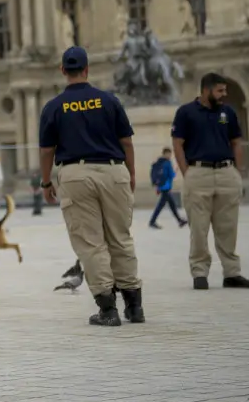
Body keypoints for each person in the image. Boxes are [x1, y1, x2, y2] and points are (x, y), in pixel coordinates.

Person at [38, 46, 143, 327]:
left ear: (63, 70)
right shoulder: (109, 101)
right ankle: (135, 306)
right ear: (87, 69)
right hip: (114, 170)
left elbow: (47, 149)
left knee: (91, 243)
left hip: (76, 174)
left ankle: (108, 309)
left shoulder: (54, 106)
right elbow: (127, 142)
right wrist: (130, 173)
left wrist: (46, 180)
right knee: (121, 237)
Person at [171, 73, 249, 290]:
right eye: (220, 90)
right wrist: (186, 173)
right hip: (198, 173)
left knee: (228, 226)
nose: (224, 95)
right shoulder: (186, 113)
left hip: (226, 172)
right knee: (198, 227)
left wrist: (237, 172)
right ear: (206, 90)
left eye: (224, 90)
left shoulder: (227, 112)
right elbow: (178, 144)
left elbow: (236, 142)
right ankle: (199, 272)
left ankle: (232, 273)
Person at [148, 147, 187, 229]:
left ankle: (179, 220)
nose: (170, 155)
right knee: (161, 205)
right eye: (169, 154)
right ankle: (152, 221)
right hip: (166, 187)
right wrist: (176, 170)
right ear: (166, 154)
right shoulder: (167, 163)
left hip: (162, 186)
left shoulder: (159, 162)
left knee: (171, 204)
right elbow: (171, 175)